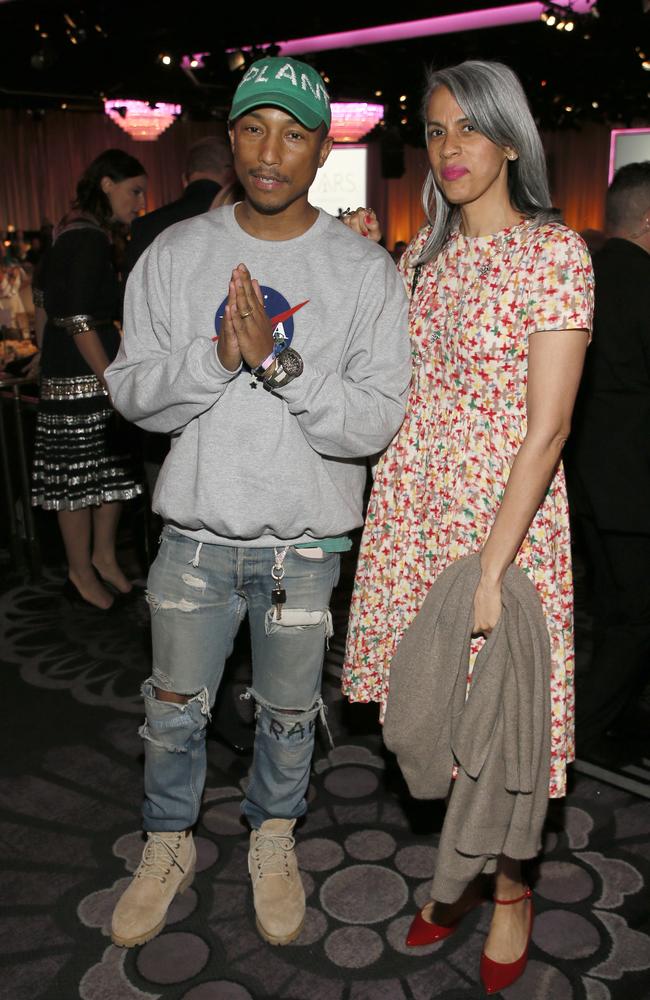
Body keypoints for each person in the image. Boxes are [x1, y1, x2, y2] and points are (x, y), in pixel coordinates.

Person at [105, 55, 411, 950]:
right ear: (233, 138)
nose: (271, 152)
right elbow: (130, 391)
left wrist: (279, 364)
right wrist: (216, 360)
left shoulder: (365, 273)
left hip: (305, 547)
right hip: (195, 537)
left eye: (294, 134)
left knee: (287, 717)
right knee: (171, 711)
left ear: (323, 148)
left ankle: (273, 836)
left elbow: (375, 423)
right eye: (253, 129)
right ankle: (167, 843)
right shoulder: (177, 252)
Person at [341, 60, 593, 993]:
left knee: (502, 719)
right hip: (415, 509)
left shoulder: (554, 254)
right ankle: (456, 878)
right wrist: (362, 265)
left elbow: (550, 427)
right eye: (436, 131)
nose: (449, 149)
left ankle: (512, 887)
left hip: (505, 517)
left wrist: (492, 567)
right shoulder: (419, 260)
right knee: (434, 709)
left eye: (468, 130)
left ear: (512, 140)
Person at [31, 149, 147, 610]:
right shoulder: (87, 238)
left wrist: (45, 356)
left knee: (106, 472)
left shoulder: (70, 228)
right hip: (87, 370)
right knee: (77, 480)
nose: (139, 201)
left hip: (73, 366)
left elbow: (41, 298)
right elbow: (78, 317)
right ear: (107, 184)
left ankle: (102, 559)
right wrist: (111, 379)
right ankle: (81, 571)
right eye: (134, 190)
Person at [567, 162, 650, 754]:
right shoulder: (646, 283)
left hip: (582, 477)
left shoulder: (580, 277)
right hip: (635, 485)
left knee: (611, 610)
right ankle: (585, 731)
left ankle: (605, 718)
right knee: (634, 620)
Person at [124, 134, 234, 276]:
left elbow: (132, 293)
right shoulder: (239, 220)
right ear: (230, 174)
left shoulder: (145, 225)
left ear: (184, 179)